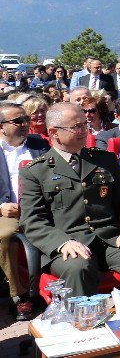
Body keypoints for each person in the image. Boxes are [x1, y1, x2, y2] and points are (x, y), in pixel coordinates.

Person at [20, 103, 120, 297]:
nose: (83, 131)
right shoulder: (35, 171)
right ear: (54, 132)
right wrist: (62, 242)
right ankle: (83, 321)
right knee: (78, 268)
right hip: (69, 243)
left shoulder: (104, 160)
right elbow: (32, 220)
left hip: (110, 239)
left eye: (84, 125)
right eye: (76, 127)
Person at [0, 102, 49, 319]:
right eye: (17, 121)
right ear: (1, 127)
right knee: (6, 235)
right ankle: (20, 296)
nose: (25, 124)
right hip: (8, 210)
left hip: (42, 207)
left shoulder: (40, 145)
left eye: (25, 119)